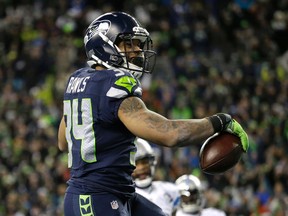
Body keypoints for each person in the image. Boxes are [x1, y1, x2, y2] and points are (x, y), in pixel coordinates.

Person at [57, 11, 249, 216]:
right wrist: (219, 121)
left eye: (138, 44)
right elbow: (170, 134)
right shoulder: (113, 83)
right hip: (95, 199)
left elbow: (62, 142)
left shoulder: (78, 80)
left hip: (119, 193)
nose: (137, 51)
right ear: (103, 45)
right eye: (129, 44)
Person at [132, 137, 180, 216]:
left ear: (152, 162)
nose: (141, 168)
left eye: (144, 162)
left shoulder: (171, 190)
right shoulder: (126, 197)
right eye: (136, 164)